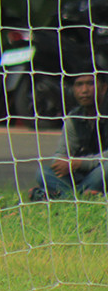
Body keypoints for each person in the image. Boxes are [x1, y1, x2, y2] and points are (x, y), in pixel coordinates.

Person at [30, 70, 108, 201]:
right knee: (43, 173)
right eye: (79, 85)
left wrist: (79, 163)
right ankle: (84, 197)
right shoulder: (74, 118)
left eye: (90, 84)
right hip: (83, 176)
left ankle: (55, 196)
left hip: (100, 172)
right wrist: (62, 163)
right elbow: (61, 154)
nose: (84, 90)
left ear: (104, 87)